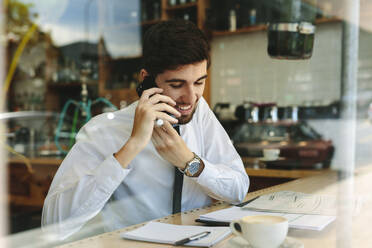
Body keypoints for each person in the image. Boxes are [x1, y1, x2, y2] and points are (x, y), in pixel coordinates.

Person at [42, 20, 249, 239]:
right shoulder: (104, 131)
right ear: (147, 79)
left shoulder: (200, 113)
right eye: (177, 85)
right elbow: (53, 225)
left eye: (199, 82)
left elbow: (238, 191)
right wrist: (131, 147)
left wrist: (189, 162)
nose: (190, 98)